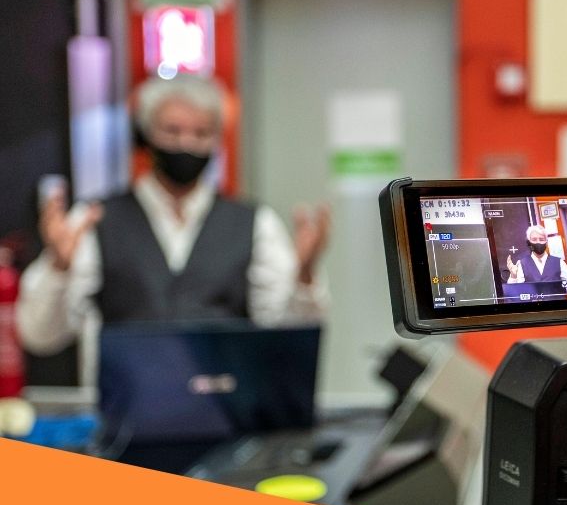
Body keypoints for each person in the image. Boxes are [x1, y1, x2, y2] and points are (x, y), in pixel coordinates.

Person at [16, 75, 331, 371]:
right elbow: (39, 336)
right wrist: (59, 266)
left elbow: (287, 334)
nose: (186, 144)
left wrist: (303, 275)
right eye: (173, 131)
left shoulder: (255, 223)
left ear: (217, 140)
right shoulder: (95, 219)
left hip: (228, 411)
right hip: (127, 411)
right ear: (146, 134)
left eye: (201, 133)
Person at [505, 224, 567, 298]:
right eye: (534, 239)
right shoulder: (521, 264)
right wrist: (513, 276)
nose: (538, 242)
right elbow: (513, 295)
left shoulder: (560, 263)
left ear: (546, 241)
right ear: (529, 242)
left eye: (541, 239)